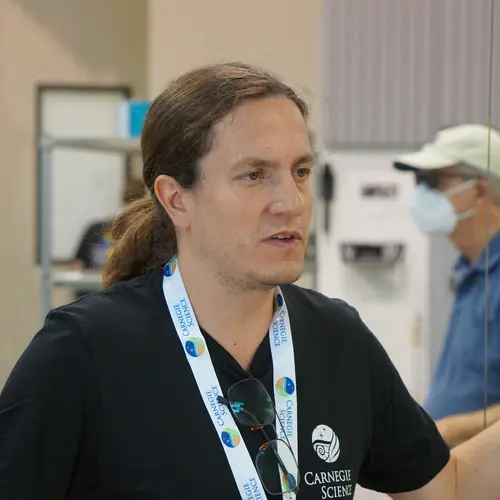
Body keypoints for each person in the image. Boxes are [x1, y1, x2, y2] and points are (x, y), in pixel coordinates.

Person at [0, 63, 499, 500]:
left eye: (300, 171)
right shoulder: (83, 352)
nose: (292, 201)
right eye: (255, 175)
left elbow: (447, 486)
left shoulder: (338, 340)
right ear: (176, 199)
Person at [394, 124, 500, 446]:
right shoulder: (472, 270)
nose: (423, 194)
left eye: (434, 181)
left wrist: (448, 430)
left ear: (480, 190)